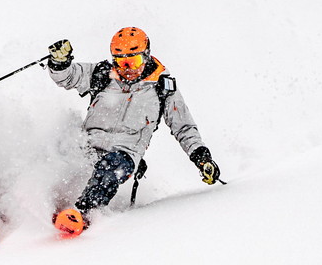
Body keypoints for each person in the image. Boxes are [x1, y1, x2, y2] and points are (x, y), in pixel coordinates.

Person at [45, 26, 221, 236]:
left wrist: (201, 157)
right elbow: (68, 77)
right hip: (88, 146)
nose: (127, 68)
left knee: (110, 167)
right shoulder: (101, 74)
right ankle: (10, 209)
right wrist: (60, 62)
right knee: (56, 140)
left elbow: (183, 126)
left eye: (133, 61)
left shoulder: (162, 88)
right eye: (120, 62)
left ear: (146, 56)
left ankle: (84, 213)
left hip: (124, 154)